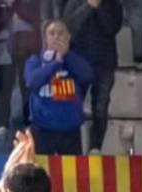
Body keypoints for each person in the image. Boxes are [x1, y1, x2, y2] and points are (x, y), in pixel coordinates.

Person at [62, 0, 123, 154]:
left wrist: (98, 7)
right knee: (71, 104)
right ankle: (71, 146)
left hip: (104, 63)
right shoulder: (73, 2)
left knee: (101, 106)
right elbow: (69, 26)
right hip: (76, 61)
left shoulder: (113, 5)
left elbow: (111, 28)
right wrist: (88, 6)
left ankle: (96, 146)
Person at [0, 0, 42, 140]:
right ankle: (2, 123)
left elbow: (35, 18)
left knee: (26, 84)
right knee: (5, 86)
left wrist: (17, 3)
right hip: (5, 44)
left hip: (27, 44)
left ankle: (29, 121)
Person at [26, 19, 93, 156]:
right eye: (52, 33)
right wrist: (55, 64)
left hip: (70, 132)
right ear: (45, 38)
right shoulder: (36, 61)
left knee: (72, 176)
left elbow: (88, 75)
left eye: (61, 33)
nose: (56, 36)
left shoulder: (76, 60)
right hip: (42, 131)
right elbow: (32, 81)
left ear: (68, 37)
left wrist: (66, 55)